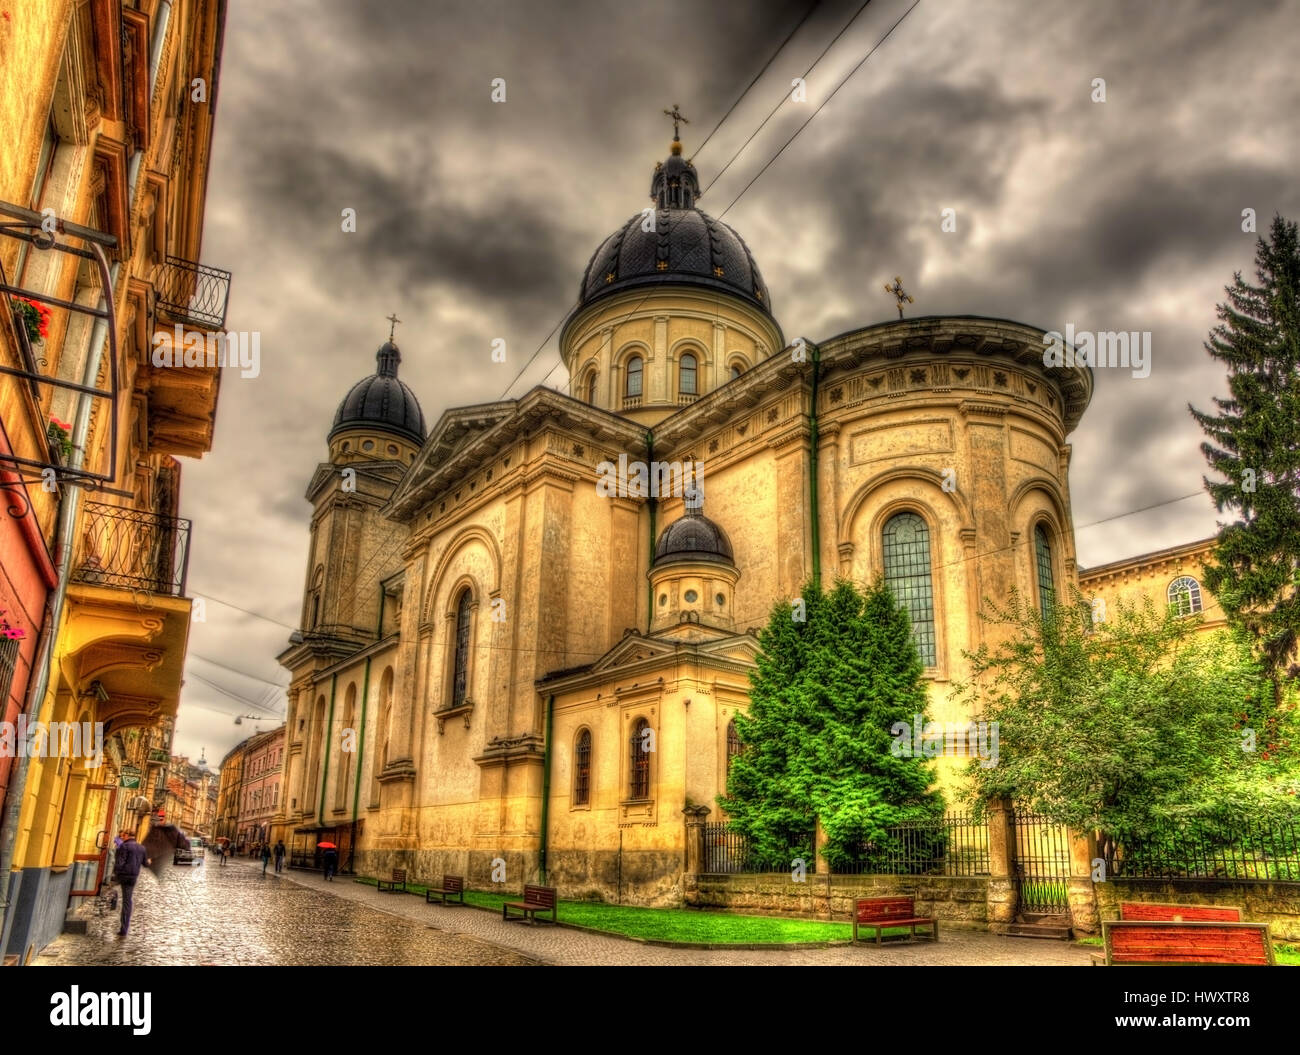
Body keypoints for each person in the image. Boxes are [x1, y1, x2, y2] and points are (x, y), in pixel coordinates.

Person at [112, 829, 150, 937]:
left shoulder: (124, 846)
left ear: (128, 835)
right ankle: (124, 927)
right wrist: (150, 861)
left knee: (125, 902)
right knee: (127, 901)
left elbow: (120, 862)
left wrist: (116, 874)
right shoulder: (141, 848)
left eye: (123, 836)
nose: (122, 837)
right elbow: (146, 864)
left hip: (124, 876)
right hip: (133, 877)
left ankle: (123, 929)